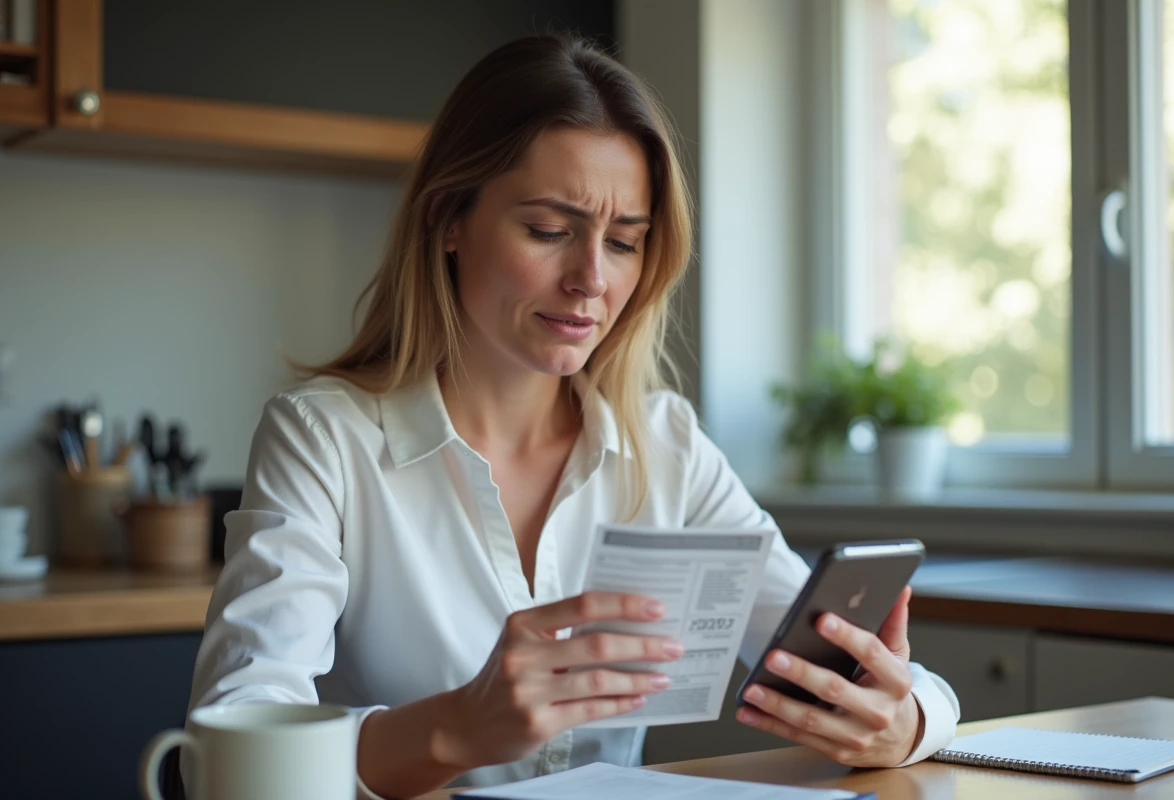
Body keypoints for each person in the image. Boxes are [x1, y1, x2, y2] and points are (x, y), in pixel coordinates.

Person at [185, 33, 960, 800]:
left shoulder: (666, 445)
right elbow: (228, 745)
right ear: (448, 222)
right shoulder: (325, 437)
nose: (592, 278)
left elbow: (851, 670)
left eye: (625, 242)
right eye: (550, 231)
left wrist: (904, 717)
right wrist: (457, 727)